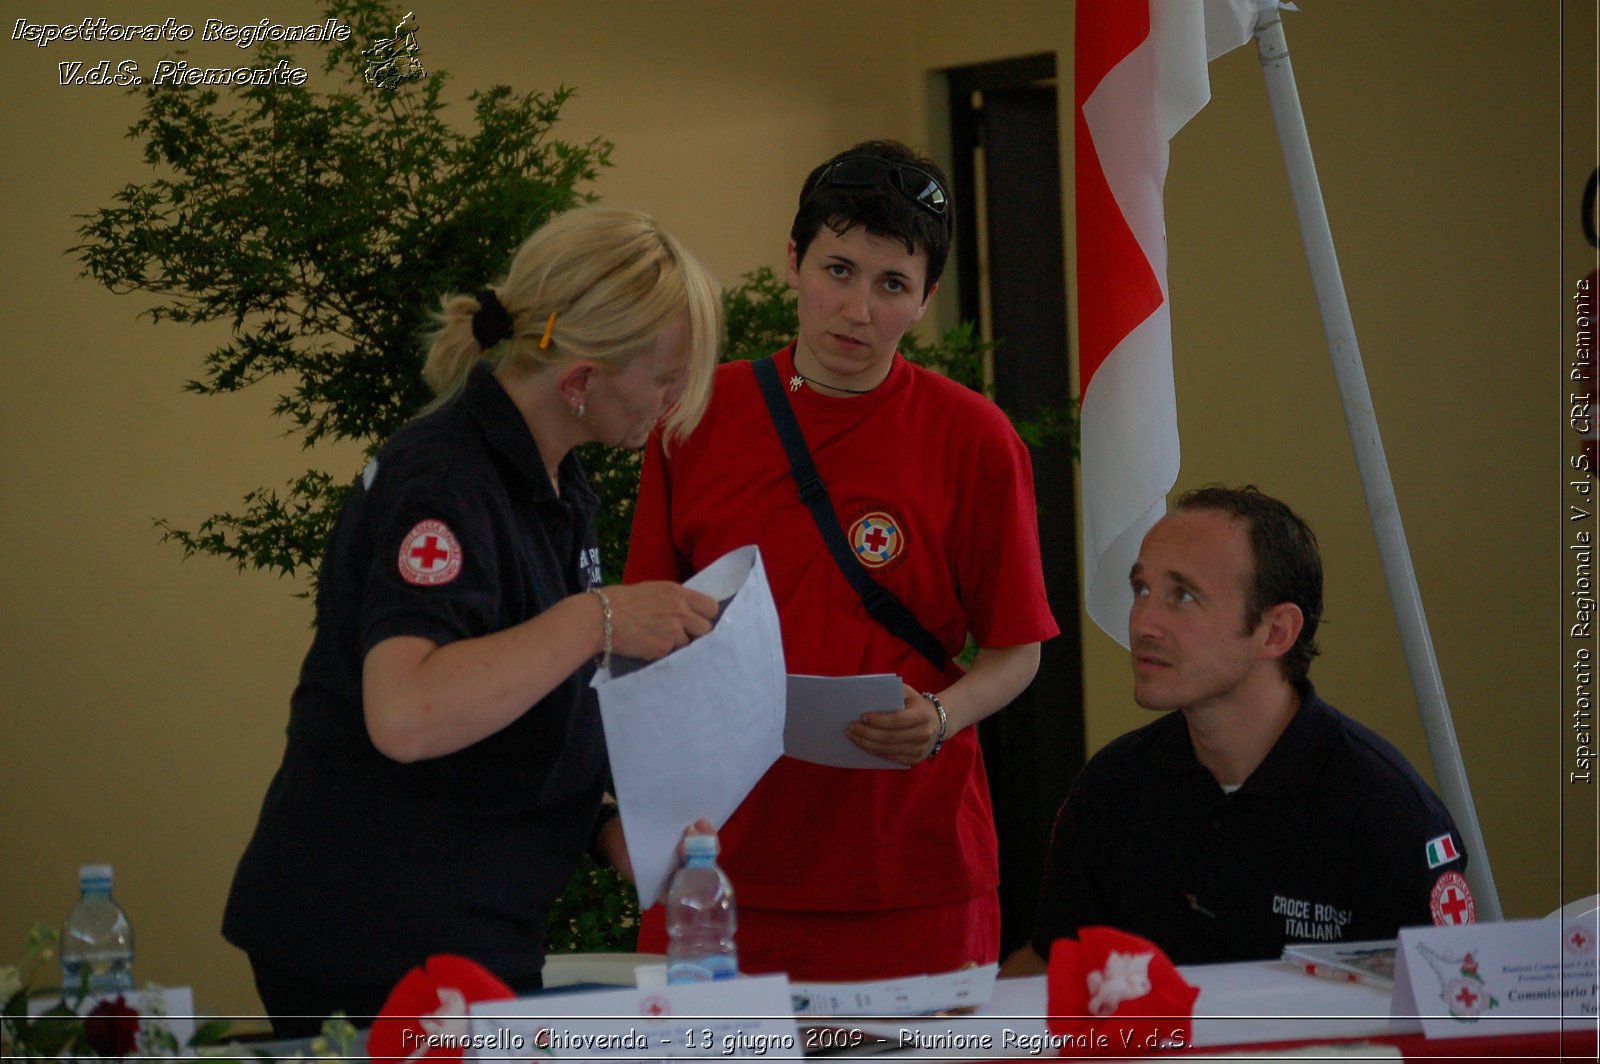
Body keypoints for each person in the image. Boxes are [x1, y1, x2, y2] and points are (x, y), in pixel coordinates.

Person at [223, 206, 724, 1035]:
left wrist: (605, 826)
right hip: (378, 930)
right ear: (580, 379)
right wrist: (597, 618)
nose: (673, 402)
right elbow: (408, 713)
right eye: (666, 377)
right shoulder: (444, 482)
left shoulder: (554, 485)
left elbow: (517, 702)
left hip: (471, 921)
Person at [624, 141, 1059, 980]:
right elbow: (646, 624)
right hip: (720, 869)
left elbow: (1016, 650)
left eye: (892, 284)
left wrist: (939, 719)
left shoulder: (974, 439)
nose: (856, 309)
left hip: (910, 867)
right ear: (793, 263)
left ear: (926, 299)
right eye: (838, 269)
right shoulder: (694, 417)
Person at [1005, 486, 1473, 973]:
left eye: (1182, 596)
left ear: (1276, 632)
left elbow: (1442, 1011)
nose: (1144, 622)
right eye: (1142, 590)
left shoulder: (1385, 810)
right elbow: (1051, 967)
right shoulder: (1113, 785)